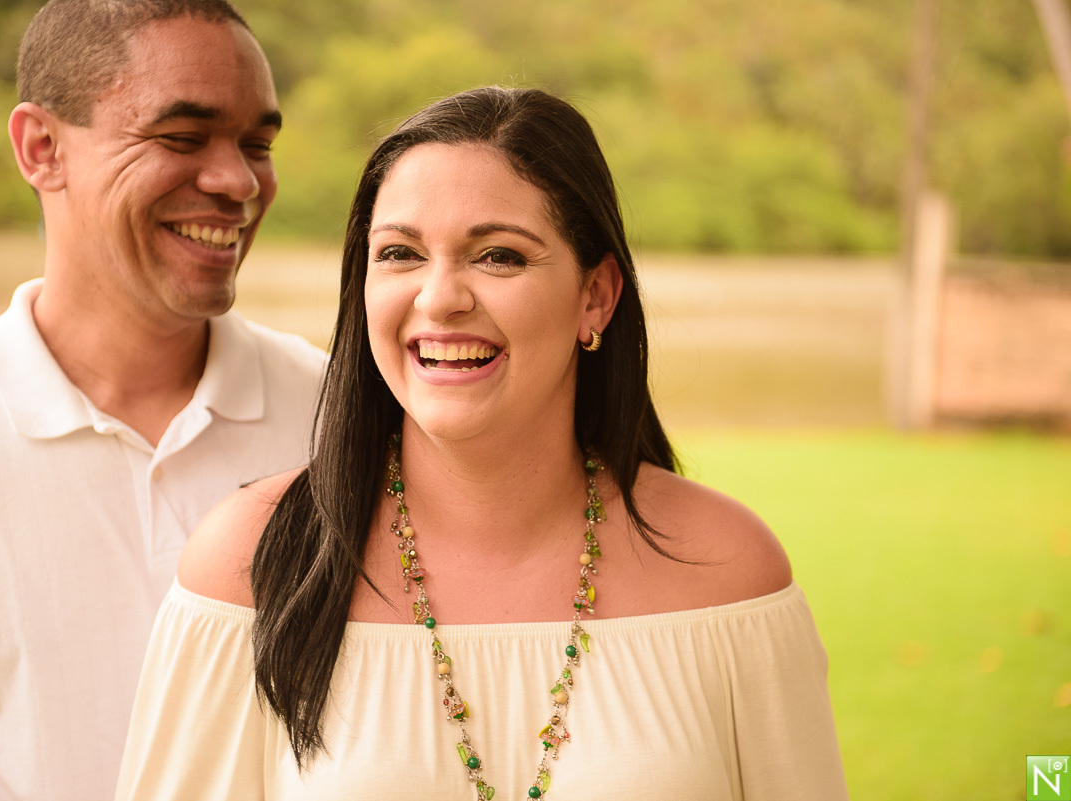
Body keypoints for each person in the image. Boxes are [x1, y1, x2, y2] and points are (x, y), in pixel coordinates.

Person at [115, 86, 848, 800]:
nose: (440, 298)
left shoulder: (729, 573)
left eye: (498, 256)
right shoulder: (250, 565)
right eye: (400, 253)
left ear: (596, 295)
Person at [0, 1, 325, 799]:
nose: (238, 180)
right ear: (42, 148)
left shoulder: (341, 418)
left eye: (258, 145)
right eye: (182, 138)